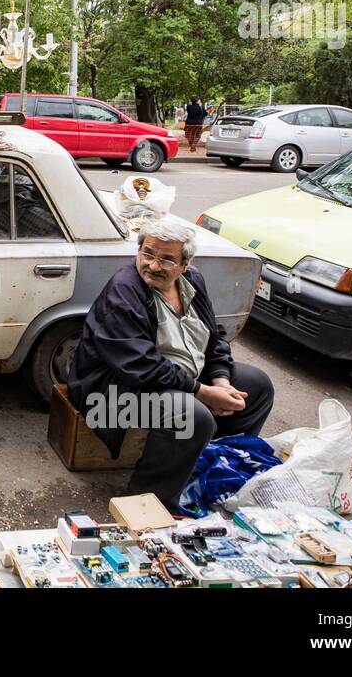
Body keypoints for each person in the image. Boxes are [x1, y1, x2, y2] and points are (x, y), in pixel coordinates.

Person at [67, 218, 274, 512]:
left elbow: (214, 335)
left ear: (185, 264)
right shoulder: (124, 291)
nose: (153, 265)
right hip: (113, 395)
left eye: (166, 259)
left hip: (179, 377)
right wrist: (200, 391)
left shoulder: (193, 282)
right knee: (192, 416)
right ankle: (148, 501)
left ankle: (210, 464)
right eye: (147, 254)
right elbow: (139, 365)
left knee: (257, 386)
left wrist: (221, 381)